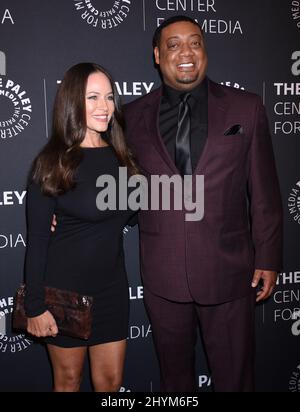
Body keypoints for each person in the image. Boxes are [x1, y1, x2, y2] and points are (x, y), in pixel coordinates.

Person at [123, 16, 283, 392]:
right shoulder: (131, 117)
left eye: (195, 43)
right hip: (163, 277)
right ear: (157, 55)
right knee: (174, 381)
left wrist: (269, 257)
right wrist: (65, 215)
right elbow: (120, 191)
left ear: (205, 50)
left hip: (230, 272)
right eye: (174, 44)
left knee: (235, 379)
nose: (186, 53)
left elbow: (265, 192)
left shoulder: (246, 108)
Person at [24, 62, 138, 392]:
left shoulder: (122, 157)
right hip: (65, 292)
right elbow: (38, 241)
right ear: (73, 101)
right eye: (92, 97)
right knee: (69, 382)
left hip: (113, 291)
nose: (104, 107)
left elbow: (138, 211)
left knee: (111, 383)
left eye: (109, 97)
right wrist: (35, 306)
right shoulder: (53, 162)